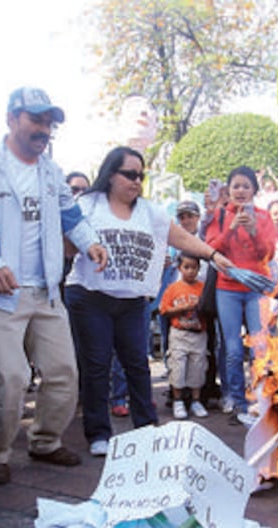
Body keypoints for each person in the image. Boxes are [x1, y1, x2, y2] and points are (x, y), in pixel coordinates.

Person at [0, 87, 107, 485]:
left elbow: (71, 215)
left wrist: (90, 242)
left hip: (47, 291)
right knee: (8, 377)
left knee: (63, 373)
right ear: (12, 118)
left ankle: (45, 440)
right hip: (0, 293)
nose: (43, 129)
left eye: (48, 123)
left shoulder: (51, 171)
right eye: (35, 120)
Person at [65, 146, 232, 456]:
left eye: (140, 176)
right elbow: (66, 240)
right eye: (129, 174)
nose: (136, 181)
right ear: (110, 175)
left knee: (137, 364)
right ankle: (98, 433)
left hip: (131, 301)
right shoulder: (88, 204)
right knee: (97, 366)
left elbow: (180, 237)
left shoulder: (149, 211)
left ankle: (146, 429)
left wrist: (212, 255)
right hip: (90, 297)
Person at [204, 166, 276, 419]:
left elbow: (268, 254)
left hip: (256, 288)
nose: (241, 191)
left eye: (246, 186)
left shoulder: (264, 217)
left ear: (254, 190)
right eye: (236, 186)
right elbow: (212, 249)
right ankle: (236, 401)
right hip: (228, 289)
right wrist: (231, 229)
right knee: (232, 349)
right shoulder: (220, 215)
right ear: (229, 189)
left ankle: (259, 398)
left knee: (260, 347)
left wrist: (255, 231)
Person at [159, 254, 209, 420]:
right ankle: (178, 400)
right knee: (178, 367)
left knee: (197, 368)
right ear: (179, 268)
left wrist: (202, 309)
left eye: (194, 267)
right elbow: (164, 310)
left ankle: (196, 400)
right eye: (186, 267)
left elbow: (210, 309)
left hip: (199, 333)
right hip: (179, 333)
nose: (190, 271)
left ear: (199, 268)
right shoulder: (173, 288)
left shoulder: (203, 288)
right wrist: (183, 308)